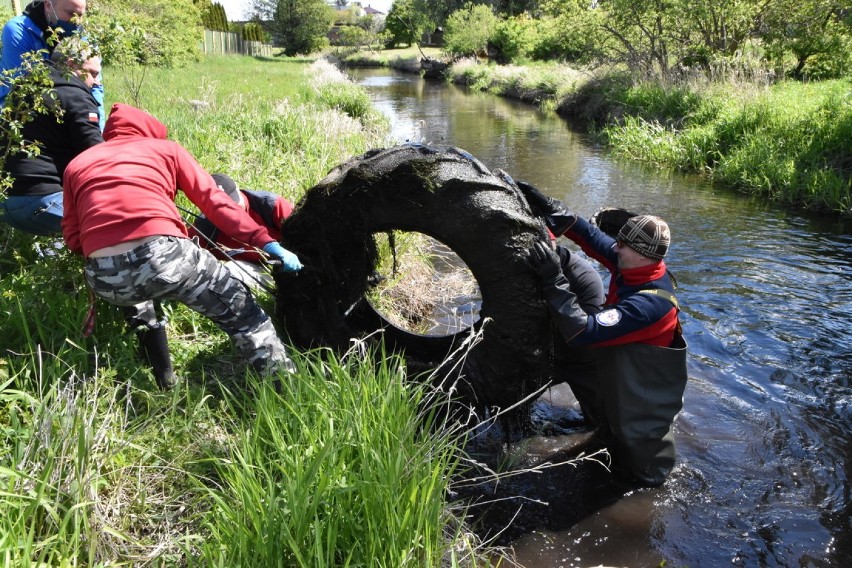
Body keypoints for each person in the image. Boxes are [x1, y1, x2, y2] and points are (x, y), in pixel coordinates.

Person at [62, 103, 303, 383]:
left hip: (104, 279)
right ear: (150, 131)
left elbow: (72, 236)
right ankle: (284, 385)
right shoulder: (166, 150)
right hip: (164, 256)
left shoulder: (76, 165)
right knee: (244, 315)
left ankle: (165, 380)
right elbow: (215, 203)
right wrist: (267, 243)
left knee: (139, 297)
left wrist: (111, 253)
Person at [520, 182, 688, 487]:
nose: (616, 247)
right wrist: (553, 208)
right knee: (609, 432)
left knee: (637, 478)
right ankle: (604, 435)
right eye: (620, 241)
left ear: (642, 254)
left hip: (643, 409)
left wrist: (553, 278)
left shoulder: (649, 304)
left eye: (623, 245)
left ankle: (644, 487)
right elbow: (593, 238)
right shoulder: (637, 265)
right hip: (625, 381)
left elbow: (582, 330)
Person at [1, 44, 102, 235]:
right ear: (71, 64)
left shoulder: (23, 90)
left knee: (55, 248)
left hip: (8, 201)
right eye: (93, 74)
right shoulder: (76, 95)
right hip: (45, 197)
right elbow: (96, 156)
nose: (97, 82)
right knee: (110, 229)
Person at [0, 0, 104, 129]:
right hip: (25, 120)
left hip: (71, 112)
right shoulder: (19, 32)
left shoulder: (83, 38)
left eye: (80, 15)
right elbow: (23, 91)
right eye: (71, 13)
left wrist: (98, 127)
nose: (77, 22)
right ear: (48, 5)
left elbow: (95, 88)